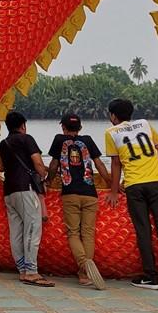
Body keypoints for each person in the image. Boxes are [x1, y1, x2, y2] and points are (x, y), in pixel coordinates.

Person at [103, 98, 158, 292]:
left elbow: (116, 164)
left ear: (113, 116)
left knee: (144, 231)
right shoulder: (145, 124)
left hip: (134, 186)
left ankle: (151, 277)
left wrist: (114, 191)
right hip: (156, 183)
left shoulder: (111, 133)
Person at [47, 113, 109, 290]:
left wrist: (48, 181)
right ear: (80, 128)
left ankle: (84, 265)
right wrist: (113, 185)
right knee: (88, 233)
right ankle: (83, 275)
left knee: (73, 233)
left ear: (63, 128)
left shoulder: (59, 140)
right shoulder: (88, 140)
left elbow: (53, 165)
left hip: (70, 193)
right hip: (90, 193)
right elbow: (99, 165)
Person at [0, 111, 53, 287]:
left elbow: (5, 165)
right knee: (32, 228)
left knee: (16, 231)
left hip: (9, 191)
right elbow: (37, 162)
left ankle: (22, 269)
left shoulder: (3, 144)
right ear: (23, 125)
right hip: (25, 189)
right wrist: (45, 176)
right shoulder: (26, 139)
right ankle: (31, 272)